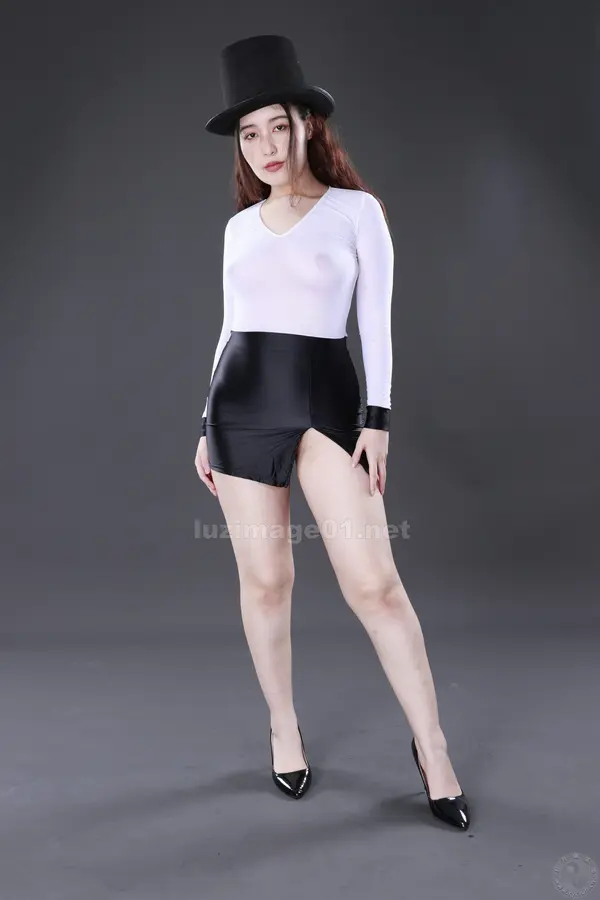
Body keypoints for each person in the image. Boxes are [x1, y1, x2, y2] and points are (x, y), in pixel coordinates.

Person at [194, 34, 470, 830]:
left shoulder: (356, 211)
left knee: (374, 586)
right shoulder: (240, 229)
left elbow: (374, 323)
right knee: (265, 582)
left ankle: (433, 749)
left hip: (327, 403)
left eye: (277, 126)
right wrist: (205, 423)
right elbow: (229, 327)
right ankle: (284, 728)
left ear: (307, 124)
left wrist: (376, 420)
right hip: (240, 406)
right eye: (250, 133)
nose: (266, 146)